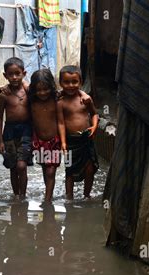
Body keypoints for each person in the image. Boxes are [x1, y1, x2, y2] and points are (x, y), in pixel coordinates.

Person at [57, 65, 99, 200]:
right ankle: (69, 196)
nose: (70, 85)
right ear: (60, 83)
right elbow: (61, 123)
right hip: (70, 141)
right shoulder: (61, 103)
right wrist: (63, 142)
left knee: (90, 168)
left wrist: (94, 126)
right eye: (66, 82)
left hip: (86, 139)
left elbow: (94, 114)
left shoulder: (86, 99)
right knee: (69, 170)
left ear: (80, 82)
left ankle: (87, 195)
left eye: (74, 82)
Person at [0, 57, 33, 199]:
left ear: (24, 73)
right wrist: (0, 141)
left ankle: (23, 196)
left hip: (26, 131)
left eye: (17, 73)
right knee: (13, 167)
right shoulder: (4, 95)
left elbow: (39, 94)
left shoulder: (28, 91)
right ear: (5, 76)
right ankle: (16, 195)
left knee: (21, 166)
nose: (14, 77)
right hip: (9, 132)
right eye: (10, 74)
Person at [28, 69, 66, 203]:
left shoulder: (56, 100)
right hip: (38, 142)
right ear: (34, 89)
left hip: (54, 141)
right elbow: (20, 87)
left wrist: (63, 142)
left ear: (51, 87)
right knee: (45, 168)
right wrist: (5, 88)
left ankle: (47, 200)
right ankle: (48, 192)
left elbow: (73, 92)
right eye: (39, 90)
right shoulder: (31, 100)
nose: (42, 93)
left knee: (51, 171)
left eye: (46, 89)